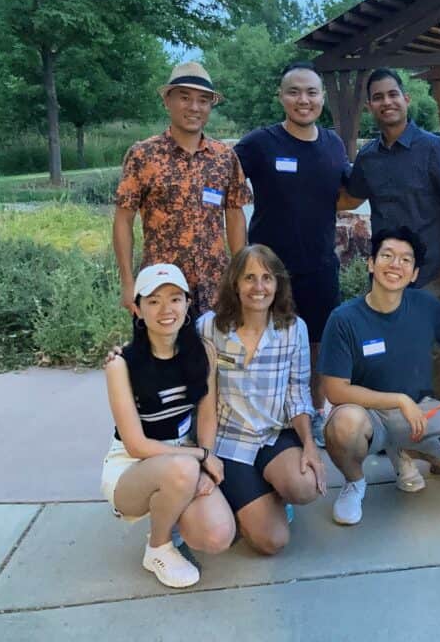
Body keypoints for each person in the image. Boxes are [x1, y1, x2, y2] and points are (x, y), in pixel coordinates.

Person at [318, 227, 440, 526]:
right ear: (371, 263)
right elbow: (335, 390)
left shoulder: (423, 306)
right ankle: (354, 482)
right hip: (367, 414)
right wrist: (398, 400)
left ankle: (402, 449)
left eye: (405, 260)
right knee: (343, 425)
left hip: (420, 410)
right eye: (387, 256)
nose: (395, 264)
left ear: (413, 273)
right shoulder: (344, 319)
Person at [233, 62, 352, 446]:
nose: (304, 100)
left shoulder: (333, 144)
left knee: (317, 346)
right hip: (267, 271)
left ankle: (314, 413)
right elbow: (219, 179)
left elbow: (350, 191)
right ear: (281, 97)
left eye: (312, 92)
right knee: (262, 344)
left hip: (319, 265)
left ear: (322, 98)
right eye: (294, 92)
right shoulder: (259, 144)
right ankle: (262, 416)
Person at [101, 264, 235, 588]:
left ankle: (171, 508)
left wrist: (204, 458)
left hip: (182, 458)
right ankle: (158, 546)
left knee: (218, 535)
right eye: (153, 301)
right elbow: (136, 445)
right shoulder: (121, 365)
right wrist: (200, 458)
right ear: (137, 308)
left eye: (175, 299)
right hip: (131, 467)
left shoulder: (202, 352)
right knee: (182, 470)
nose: (166, 310)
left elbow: (206, 416)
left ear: (188, 304)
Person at [344, 69, 440, 410]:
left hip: (429, 269)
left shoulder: (432, 148)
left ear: (405, 99)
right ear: (370, 105)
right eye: (379, 97)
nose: (387, 102)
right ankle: (396, 424)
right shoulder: (368, 157)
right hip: (386, 271)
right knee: (389, 346)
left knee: (432, 346)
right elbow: (348, 198)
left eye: (392, 94)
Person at [196, 245, 326, 555]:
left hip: (273, 435)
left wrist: (309, 444)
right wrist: (205, 457)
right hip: (230, 442)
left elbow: (297, 393)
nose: (258, 287)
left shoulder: (293, 330)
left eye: (267, 278)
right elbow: (201, 399)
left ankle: (266, 489)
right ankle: (244, 496)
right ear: (235, 284)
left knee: (305, 485)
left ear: (278, 283)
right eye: (249, 278)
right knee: (272, 541)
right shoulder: (209, 328)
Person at [114, 62, 251, 316]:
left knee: (215, 355)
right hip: (161, 288)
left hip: (215, 288)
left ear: (210, 106)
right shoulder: (143, 155)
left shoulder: (224, 157)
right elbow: (123, 219)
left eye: (203, 100)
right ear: (168, 100)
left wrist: (240, 273)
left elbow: (234, 215)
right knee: (159, 356)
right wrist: (127, 282)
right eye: (185, 98)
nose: (194, 107)